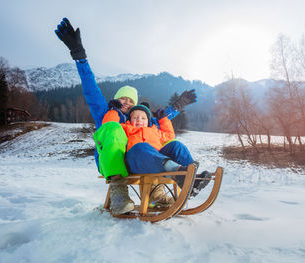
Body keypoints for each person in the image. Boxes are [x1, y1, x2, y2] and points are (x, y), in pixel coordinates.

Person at [55, 18, 198, 210]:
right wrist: (79, 56)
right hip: (113, 161)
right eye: (123, 99)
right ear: (116, 99)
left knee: (163, 142)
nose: (127, 103)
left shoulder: (136, 119)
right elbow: (90, 89)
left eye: (131, 101)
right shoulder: (105, 113)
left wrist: (178, 105)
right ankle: (119, 191)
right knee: (115, 129)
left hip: (142, 159)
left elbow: (157, 121)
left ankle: (173, 187)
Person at [95, 102, 210, 214]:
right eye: (135, 117)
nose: (139, 120)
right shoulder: (125, 128)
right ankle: (175, 171)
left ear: (148, 121)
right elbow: (109, 126)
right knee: (142, 147)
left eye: (143, 118)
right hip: (135, 161)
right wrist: (114, 111)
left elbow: (169, 136)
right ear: (129, 120)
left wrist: (163, 119)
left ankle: (191, 180)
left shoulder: (155, 131)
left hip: (155, 162)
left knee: (176, 145)